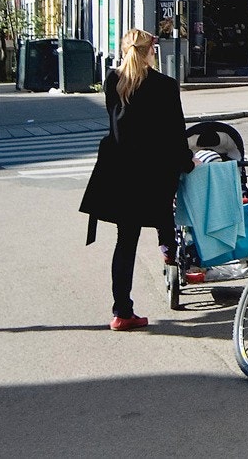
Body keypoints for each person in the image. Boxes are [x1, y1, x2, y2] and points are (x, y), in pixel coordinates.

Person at [79, 28, 194, 332]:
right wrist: (187, 162)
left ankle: (122, 312)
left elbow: (116, 123)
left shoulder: (113, 81)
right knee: (165, 210)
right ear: (150, 52)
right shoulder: (165, 85)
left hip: (120, 173)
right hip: (155, 173)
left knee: (125, 242)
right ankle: (172, 252)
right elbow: (174, 132)